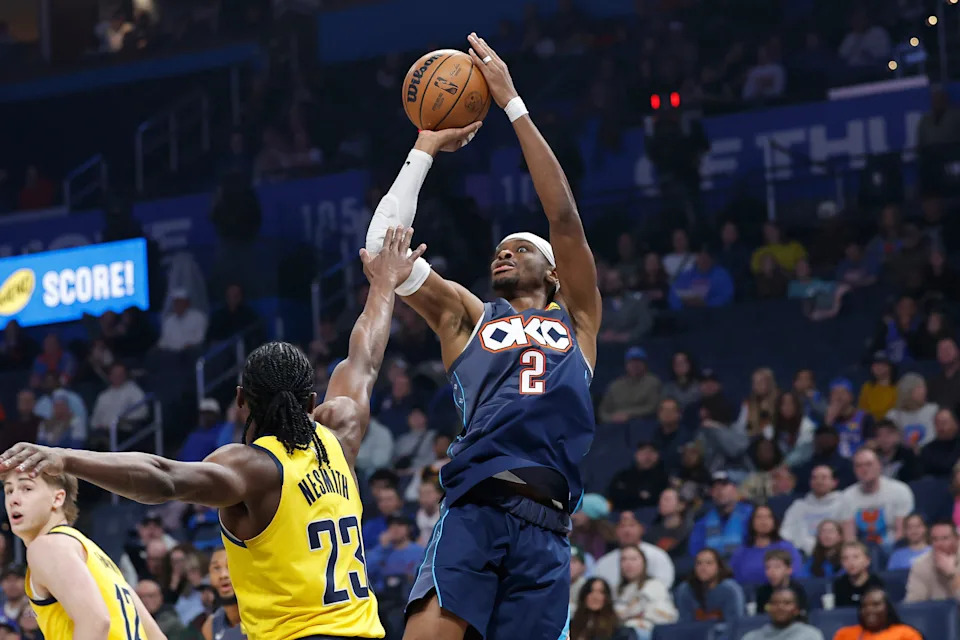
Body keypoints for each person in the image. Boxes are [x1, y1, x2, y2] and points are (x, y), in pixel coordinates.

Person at [1, 226, 428, 640]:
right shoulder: (341, 433)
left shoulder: (252, 468)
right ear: (312, 402)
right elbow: (364, 357)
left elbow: (162, 476)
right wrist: (384, 285)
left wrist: (67, 458)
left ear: (241, 400)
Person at [366, 36, 604, 640]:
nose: (505, 251)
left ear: (553, 273)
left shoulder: (578, 321)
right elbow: (380, 251)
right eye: (500, 248)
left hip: (548, 529)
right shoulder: (470, 318)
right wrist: (425, 145)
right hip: (476, 508)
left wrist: (512, 103)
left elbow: (565, 220)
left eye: (521, 248)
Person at [2, 468, 164, 639]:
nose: (13, 499)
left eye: (26, 489)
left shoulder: (47, 546)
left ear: (57, 498)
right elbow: (157, 637)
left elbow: (95, 621)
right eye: (9, 490)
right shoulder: (93, 553)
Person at [840, 448, 914, 547]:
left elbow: (902, 532)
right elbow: (849, 537)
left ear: (879, 466)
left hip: (893, 547)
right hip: (861, 551)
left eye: (869, 464)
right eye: (859, 466)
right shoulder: (847, 496)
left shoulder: (900, 490)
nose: (864, 469)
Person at [594, 511, 675, 590]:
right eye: (622, 526)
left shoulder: (658, 555)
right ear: (616, 531)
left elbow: (664, 585)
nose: (627, 531)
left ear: (642, 529)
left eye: (632, 525)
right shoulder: (604, 562)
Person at [613, 545, 678, 640]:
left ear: (644, 563)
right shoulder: (616, 591)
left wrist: (630, 612)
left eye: (633, 559)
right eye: (624, 559)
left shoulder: (655, 586)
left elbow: (668, 616)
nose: (628, 564)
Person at [730, 505, 804, 585]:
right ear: (751, 522)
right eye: (759, 517)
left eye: (768, 517)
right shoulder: (741, 552)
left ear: (774, 522)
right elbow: (732, 578)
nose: (764, 521)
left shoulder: (787, 548)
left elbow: (797, 575)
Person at [781, 465, 844, 555]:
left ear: (834, 482)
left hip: (836, 553)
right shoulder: (798, 506)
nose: (819, 481)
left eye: (824, 478)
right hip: (802, 555)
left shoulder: (843, 503)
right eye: (815, 478)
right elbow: (785, 533)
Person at [689, 471, 754, 558]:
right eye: (714, 487)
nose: (719, 490)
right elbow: (695, 554)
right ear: (711, 493)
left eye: (724, 485)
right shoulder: (702, 522)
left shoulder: (752, 515)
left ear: (734, 489)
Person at [674, 548, 745, 622]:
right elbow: (684, 625)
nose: (703, 568)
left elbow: (735, 623)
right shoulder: (686, 590)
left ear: (719, 567)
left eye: (709, 563)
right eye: (699, 563)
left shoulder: (730, 590)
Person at [598, 347, 662, 423]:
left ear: (645, 364)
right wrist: (611, 418)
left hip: (642, 423)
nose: (635, 365)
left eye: (638, 362)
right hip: (615, 425)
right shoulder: (615, 385)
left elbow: (653, 407)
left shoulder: (653, 382)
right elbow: (603, 411)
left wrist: (629, 414)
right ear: (626, 364)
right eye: (631, 362)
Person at [365, 515, 426, 593]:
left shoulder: (419, 551)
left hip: (409, 597)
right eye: (392, 525)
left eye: (400, 525)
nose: (395, 529)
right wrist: (383, 549)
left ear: (409, 529)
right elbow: (367, 571)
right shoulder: (380, 550)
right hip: (383, 597)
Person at [833, 588, 922, 640]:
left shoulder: (906, 634)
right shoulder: (845, 634)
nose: (869, 610)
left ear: (887, 608)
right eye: (864, 606)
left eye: (876, 604)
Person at [904, 520, 960, 603]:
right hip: (935, 614)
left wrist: (952, 575)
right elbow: (912, 604)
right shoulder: (920, 564)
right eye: (935, 539)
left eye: (945, 538)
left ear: (957, 539)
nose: (939, 544)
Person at [668, 245, 735, 310]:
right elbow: (673, 294)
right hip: (687, 315)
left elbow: (726, 297)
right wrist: (682, 306)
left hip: (714, 315)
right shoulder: (685, 275)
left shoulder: (722, 275)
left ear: (712, 259)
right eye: (700, 255)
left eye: (707, 256)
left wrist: (707, 305)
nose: (703, 259)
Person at [607, 441, 669, 510]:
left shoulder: (662, 479)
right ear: (636, 454)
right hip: (618, 514)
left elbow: (655, 502)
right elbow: (611, 497)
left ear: (657, 456)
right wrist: (638, 495)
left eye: (651, 452)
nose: (647, 456)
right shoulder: (623, 475)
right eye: (644, 452)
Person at [742, 588, 823, 640]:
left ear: (796, 610)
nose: (780, 607)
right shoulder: (751, 637)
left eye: (787, 603)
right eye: (775, 603)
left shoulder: (811, 635)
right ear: (768, 609)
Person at [568, 578, 633, 640]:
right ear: (584, 596)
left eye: (601, 592)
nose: (595, 596)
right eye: (591, 591)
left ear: (607, 597)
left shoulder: (618, 631)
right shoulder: (569, 626)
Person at [886, 373, 938, 449]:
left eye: (923, 387)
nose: (923, 391)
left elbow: (934, 438)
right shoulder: (893, 415)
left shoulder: (933, 410)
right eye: (919, 388)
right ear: (906, 392)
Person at [826, 378, 874, 458]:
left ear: (851, 396)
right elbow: (823, 446)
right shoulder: (826, 418)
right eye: (835, 393)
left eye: (843, 392)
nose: (839, 397)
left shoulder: (865, 417)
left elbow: (872, 443)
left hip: (859, 461)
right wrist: (829, 420)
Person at [201, 548, 243, 640]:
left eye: (230, 566)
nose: (223, 575)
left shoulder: (264, 614)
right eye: (216, 568)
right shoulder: (210, 626)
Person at [754, 550, 809, 614]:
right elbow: (760, 618)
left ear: (789, 569)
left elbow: (803, 615)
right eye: (768, 568)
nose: (772, 572)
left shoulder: (798, 591)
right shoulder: (762, 592)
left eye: (777, 567)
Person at [644, 487, 692, 558]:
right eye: (660, 499)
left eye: (667, 499)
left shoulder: (690, 530)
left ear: (680, 505)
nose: (661, 502)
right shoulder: (652, 531)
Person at [833, 542, 885, 607]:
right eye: (845, 558)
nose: (850, 562)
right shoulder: (839, 585)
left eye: (856, 557)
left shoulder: (877, 584)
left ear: (867, 561)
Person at [919, 407, 960, 478]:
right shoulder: (927, 449)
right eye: (937, 423)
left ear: (956, 424)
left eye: (944, 423)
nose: (940, 427)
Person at [858, 354, 898, 422]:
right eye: (874, 364)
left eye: (881, 364)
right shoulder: (867, 387)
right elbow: (861, 411)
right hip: (870, 426)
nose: (877, 367)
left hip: (891, 426)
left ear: (890, 367)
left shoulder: (898, 388)